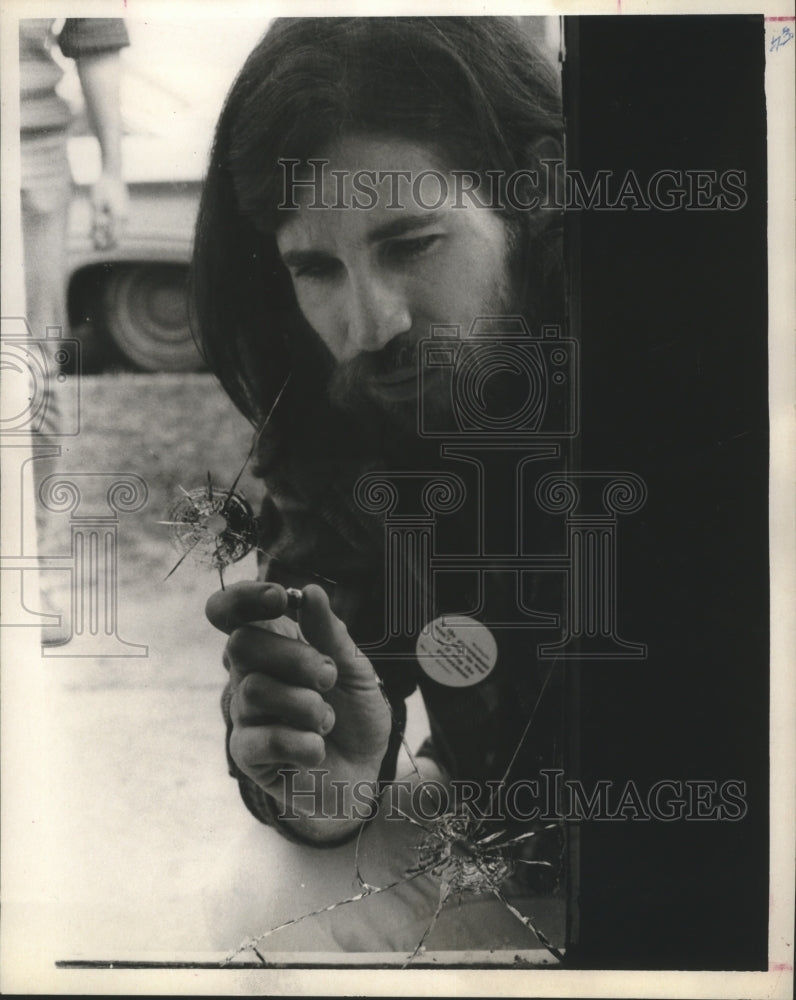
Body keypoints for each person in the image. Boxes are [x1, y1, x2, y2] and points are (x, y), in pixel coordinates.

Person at [193, 16, 567, 951]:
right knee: (270, 909)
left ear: (538, 196)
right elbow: (345, 688)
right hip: (517, 838)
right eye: (316, 267)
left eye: (412, 244)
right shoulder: (351, 414)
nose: (370, 324)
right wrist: (326, 781)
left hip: (735, 868)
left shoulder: (709, 357)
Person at [20, 18, 129, 643]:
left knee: (31, 368)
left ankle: (39, 574)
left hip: (28, 154)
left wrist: (113, 168)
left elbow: (95, 36)